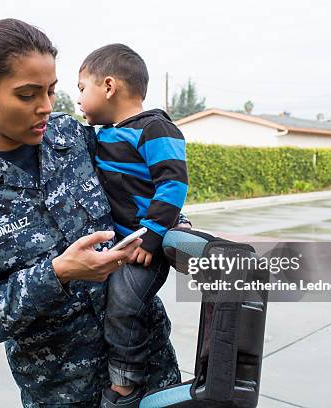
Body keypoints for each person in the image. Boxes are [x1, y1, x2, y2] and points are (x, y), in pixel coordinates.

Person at [0, 19, 191, 407]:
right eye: (28, 94)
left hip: (150, 368)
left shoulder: (72, 138)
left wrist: (170, 225)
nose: (46, 107)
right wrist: (58, 274)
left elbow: (144, 181)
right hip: (63, 391)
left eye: (50, 90)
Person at [77, 44, 189, 406]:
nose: (77, 98)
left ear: (108, 86)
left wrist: (153, 235)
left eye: (82, 88)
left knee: (125, 304)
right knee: (113, 303)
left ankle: (127, 382)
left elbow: (174, 183)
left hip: (145, 245)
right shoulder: (104, 134)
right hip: (123, 244)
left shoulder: (156, 128)